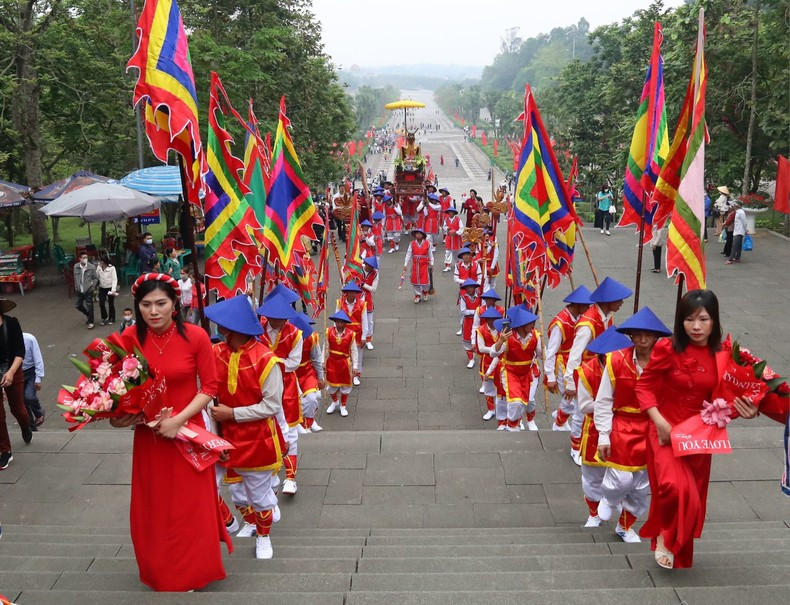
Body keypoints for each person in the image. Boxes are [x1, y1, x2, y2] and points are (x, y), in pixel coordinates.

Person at [111, 273, 229, 591]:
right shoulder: (129, 339)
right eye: (146, 304)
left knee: (190, 507)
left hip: (188, 433)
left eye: (161, 303)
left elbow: (211, 386)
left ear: (175, 303)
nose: (154, 311)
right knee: (155, 505)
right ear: (137, 306)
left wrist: (179, 420)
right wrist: (119, 417)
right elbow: (121, 391)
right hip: (150, 440)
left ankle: (193, 571)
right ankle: (159, 570)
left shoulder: (196, 336)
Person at [636, 290, 759, 569]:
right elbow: (644, 387)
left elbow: (729, 400)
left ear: (714, 321)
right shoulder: (668, 348)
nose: (696, 326)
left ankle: (677, 547)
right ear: (680, 322)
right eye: (689, 319)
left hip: (700, 437)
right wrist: (659, 421)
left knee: (692, 495)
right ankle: (666, 536)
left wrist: (749, 410)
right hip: (666, 431)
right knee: (672, 487)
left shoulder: (726, 354)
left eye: (703, 319)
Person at [205, 295, 286, 560]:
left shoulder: (267, 360)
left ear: (233, 326)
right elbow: (208, 394)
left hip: (257, 438)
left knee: (260, 495)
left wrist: (233, 414)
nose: (217, 326)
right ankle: (232, 521)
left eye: (222, 322)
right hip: (222, 437)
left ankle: (264, 537)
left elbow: (271, 406)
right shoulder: (215, 353)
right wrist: (216, 434)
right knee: (219, 489)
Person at [594, 307, 672, 542]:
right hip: (624, 425)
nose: (643, 339)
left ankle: (625, 526)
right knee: (621, 478)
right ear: (631, 336)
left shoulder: (666, 363)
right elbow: (603, 400)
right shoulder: (616, 361)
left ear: (656, 336)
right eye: (637, 334)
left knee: (641, 485)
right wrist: (604, 436)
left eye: (648, 335)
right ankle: (608, 497)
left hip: (652, 427)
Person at [563, 277, 632, 466]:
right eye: (619, 300)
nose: (622, 303)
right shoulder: (587, 325)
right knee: (580, 413)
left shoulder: (606, 316)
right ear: (608, 301)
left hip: (601, 370)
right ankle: (575, 449)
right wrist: (570, 383)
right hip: (587, 373)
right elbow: (575, 355)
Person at [575, 326, 633, 528]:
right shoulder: (587, 371)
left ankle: (613, 503)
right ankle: (593, 514)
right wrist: (609, 402)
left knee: (624, 474)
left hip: (625, 428)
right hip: (594, 429)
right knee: (592, 476)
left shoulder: (630, 367)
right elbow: (584, 406)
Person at [257, 295, 302, 496]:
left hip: (287, 387)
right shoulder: (257, 329)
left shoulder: (296, 334)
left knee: (290, 431)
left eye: (281, 318)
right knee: (266, 428)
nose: (277, 322)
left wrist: (269, 363)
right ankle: (271, 476)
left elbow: (294, 362)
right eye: (273, 317)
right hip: (262, 387)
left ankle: (291, 478)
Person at [544, 286, 593, 431]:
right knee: (570, 398)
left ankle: (560, 420)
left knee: (572, 398)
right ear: (577, 305)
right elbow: (551, 351)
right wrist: (550, 376)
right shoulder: (560, 324)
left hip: (578, 362)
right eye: (586, 306)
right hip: (563, 364)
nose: (589, 309)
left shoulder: (581, 318)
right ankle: (558, 424)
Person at [493, 307, 542, 432]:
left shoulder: (535, 335)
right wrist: (500, 341)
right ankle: (512, 426)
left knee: (529, 400)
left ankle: (530, 420)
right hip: (511, 372)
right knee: (515, 402)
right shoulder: (507, 337)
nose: (533, 325)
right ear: (521, 325)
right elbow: (493, 353)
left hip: (528, 372)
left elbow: (542, 354)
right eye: (530, 322)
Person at [0, 299, 32, 470]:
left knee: (18, 409)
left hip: (13, 368)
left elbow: (20, 352)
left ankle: (25, 426)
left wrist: (11, 372)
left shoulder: (11, 324)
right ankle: (5, 451)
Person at [292, 312, 324, 434]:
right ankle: (301, 422)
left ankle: (308, 422)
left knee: (313, 397)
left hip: (307, 372)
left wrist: (320, 377)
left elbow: (316, 358)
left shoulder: (312, 338)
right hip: (292, 373)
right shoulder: (288, 338)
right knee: (295, 400)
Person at [324, 310, 359, 418]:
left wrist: (355, 366)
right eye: (337, 322)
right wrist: (323, 362)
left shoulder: (351, 334)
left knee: (345, 386)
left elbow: (354, 351)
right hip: (332, 362)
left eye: (341, 322)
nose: (339, 324)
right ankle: (335, 402)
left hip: (344, 363)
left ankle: (343, 405)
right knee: (330, 386)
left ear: (345, 323)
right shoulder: (328, 332)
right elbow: (325, 348)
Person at [335, 281, 369, 384]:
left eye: (354, 292)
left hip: (357, 334)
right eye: (350, 292)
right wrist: (335, 332)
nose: (352, 294)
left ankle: (356, 375)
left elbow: (365, 321)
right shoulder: (339, 303)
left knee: (357, 354)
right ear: (346, 293)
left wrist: (364, 336)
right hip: (344, 332)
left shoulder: (362, 304)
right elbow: (336, 318)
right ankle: (344, 374)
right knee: (344, 355)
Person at [475, 306, 503, 421]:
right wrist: (495, 348)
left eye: (495, 318)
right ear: (486, 319)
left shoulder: (503, 330)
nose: (493, 321)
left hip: (501, 362)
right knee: (488, 388)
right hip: (486, 361)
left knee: (502, 387)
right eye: (490, 319)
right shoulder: (481, 330)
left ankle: (502, 410)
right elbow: (481, 348)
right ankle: (491, 410)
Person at [22, 332, 45, 431]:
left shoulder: (29, 339)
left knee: (29, 396)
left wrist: (38, 377)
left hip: (31, 371)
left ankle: (39, 413)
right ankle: (31, 426)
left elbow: (38, 358)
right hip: (16, 372)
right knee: (22, 401)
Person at [403, 228, 433, 304]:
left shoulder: (427, 243)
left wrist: (431, 264)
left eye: (420, 234)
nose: (418, 235)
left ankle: (425, 291)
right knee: (415, 281)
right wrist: (405, 264)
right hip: (415, 265)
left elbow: (430, 254)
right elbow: (408, 254)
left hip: (424, 265)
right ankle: (417, 295)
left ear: (423, 235)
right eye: (417, 233)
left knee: (426, 281)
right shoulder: (412, 243)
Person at [458, 279, 481, 369]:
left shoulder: (480, 295)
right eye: (467, 288)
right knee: (467, 341)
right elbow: (463, 311)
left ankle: (480, 356)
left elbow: (483, 307)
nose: (469, 289)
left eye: (471, 287)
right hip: (468, 321)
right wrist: (476, 311)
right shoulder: (463, 297)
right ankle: (471, 359)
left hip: (479, 321)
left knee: (480, 339)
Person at [73, 252, 98, 329]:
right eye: (83, 257)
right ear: (80, 258)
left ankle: (91, 321)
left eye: (86, 257)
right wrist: (76, 285)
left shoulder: (91, 267)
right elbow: (75, 276)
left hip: (88, 290)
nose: (85, 259)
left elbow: (95, 278)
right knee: (78, 305)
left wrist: (93, 286)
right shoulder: (76, 266)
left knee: (90, 306)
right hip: (79, 290)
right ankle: (88, 314)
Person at [359, 257, 379, 350]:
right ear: (365, 264)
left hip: (367, 298)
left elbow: (373, 289)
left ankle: (368, 340)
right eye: (368, 265)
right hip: (357, 297)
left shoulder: (375, 274)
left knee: (369, 321)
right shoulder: (358, 269)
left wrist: (364, 285)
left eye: (371, 267)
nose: (369, 268)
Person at [97, 256, 118, 326]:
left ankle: (112, 318)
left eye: (102, 261)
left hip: (109, 287)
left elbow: (114, 279)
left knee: (111, 303)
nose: (101, 263)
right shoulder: (99, 268)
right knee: (101, 303)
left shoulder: (112, 268)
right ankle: (104, 317)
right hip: (102, 287)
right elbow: (97, 276)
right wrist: (98, 268)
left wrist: (113, 290)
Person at [442, 206, 464, 272]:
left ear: (454, 213)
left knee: (456, 252)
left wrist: (456, 232)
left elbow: (461, 228)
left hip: (456, 238)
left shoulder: (458, 219)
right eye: (449, 212)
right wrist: (447, 229)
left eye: (451, 212)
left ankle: (457, 264)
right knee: (448, 252)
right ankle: (448, 265)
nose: (450, 213)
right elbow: (444, 226)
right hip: (449, 237)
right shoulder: (446, 219)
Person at [726, 200, 747, 265]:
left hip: (739, 231)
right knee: (738, 245)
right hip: (737, 230)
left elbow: (744, 222)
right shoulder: (737, 212)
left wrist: (746, 230)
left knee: (734, 245)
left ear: (737, 206)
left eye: (734, 205)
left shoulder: (741, 212)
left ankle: (730, 259)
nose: (733, 206)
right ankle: (737, 257)